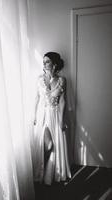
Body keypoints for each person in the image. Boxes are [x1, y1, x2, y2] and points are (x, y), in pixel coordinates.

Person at [32, 52, 71, 185]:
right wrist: (34, 116)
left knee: (53, 146)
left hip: (54, 115)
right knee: (47, 145)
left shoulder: (62, 80)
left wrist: (61, 120)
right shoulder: (39, 79)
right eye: (43, 61)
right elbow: (36, 98)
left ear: (54, 64)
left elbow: (62, 101)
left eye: (47, 61)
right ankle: (39, 172)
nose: (44, 63)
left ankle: (48, 175)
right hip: (42, 115)